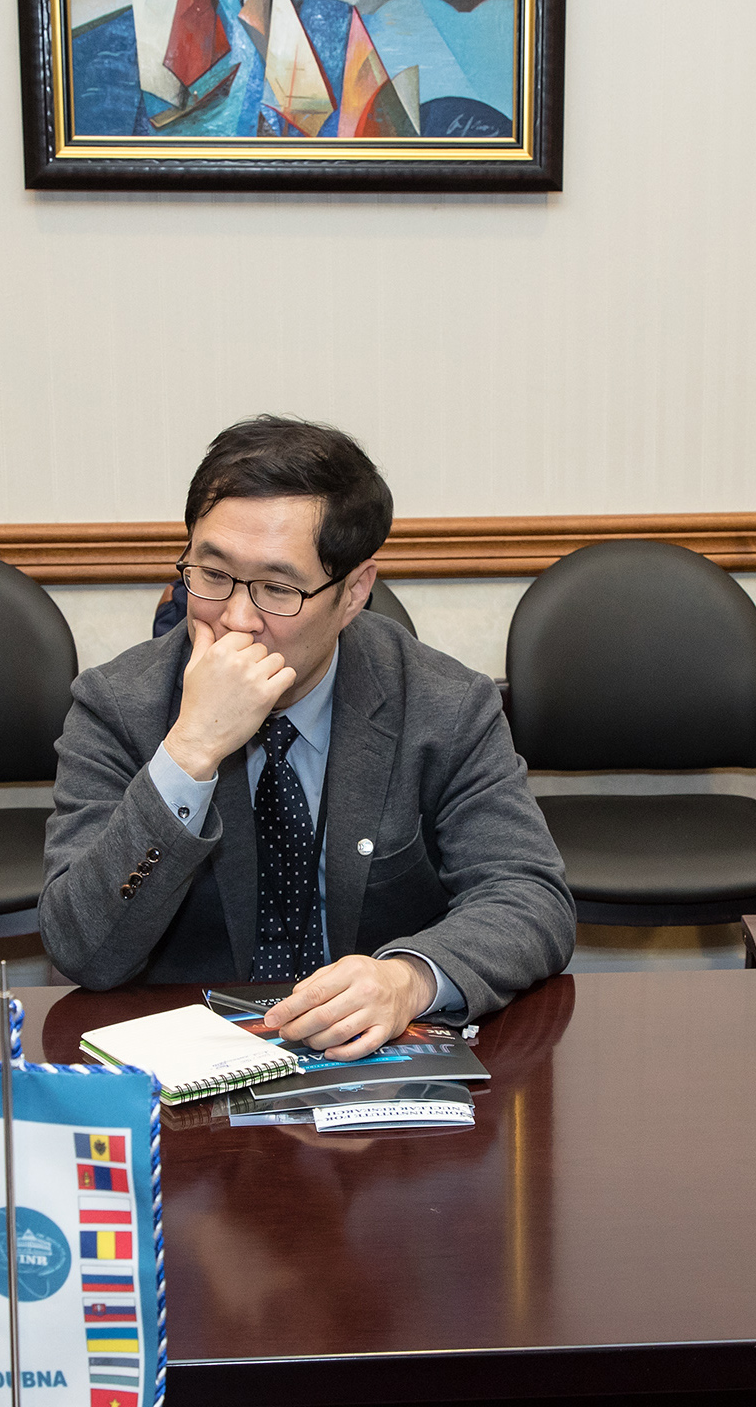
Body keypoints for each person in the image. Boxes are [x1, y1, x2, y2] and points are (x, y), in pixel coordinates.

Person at [41, 416, 575, 1061]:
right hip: (190, 1068)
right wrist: (189, 754)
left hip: (373, 1068)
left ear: (354, 593)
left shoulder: (443, 704)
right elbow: (82, 948)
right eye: (212, 575)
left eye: (277, 588)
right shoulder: (118, 705)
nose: (236, 619)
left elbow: (528, 895)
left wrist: (407, 979)